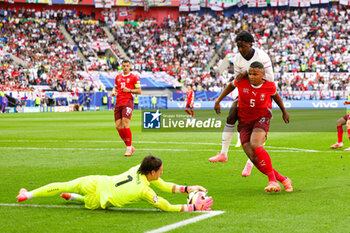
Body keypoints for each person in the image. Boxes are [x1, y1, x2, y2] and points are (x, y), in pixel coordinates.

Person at [16, 155, 213, 212]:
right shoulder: (144, 191)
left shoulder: (138, 168)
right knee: (90, 203)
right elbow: (166, 205)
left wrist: (189, 188)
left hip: (96, 182)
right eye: (160, 170)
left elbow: (164, 185)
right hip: (101, 202)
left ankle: (28, 194)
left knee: (66, 185)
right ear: (152, 172)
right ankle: (76, 198)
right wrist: (194, 207)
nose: (162, 173)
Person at [209, 31, 275, 178]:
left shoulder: (262, 57)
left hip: (262, 93)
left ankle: (250, 163)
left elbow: (270, 78)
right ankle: (223, 153)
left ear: (251, 44)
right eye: (238, 46)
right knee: (232, 115)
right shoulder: (237, 59)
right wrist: (219, 100)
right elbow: (237, 80)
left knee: (257, 135)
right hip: (246, 93)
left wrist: (248, 73)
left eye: (243, 46)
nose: (240, 49)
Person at [234, 61, 292, 192]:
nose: (252, 76)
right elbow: (230, 86)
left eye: (255, 74)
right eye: (250, 74)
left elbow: (276, 96)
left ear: (263, 74)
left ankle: (273, 181)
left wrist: (284, 111)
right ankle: (283, 179)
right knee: (254, 158)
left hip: (262, 117)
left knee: (255, 144)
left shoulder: (269, 86)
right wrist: (219, 100)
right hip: (244, 121)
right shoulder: (241, 81)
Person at [112, 60, 141, 156]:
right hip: (118, 102)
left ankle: (128, 148)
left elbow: (139, 91)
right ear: (121, 66)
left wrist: (129, 90)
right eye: (124, 66)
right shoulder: (118, 77)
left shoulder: (134, 77)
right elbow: (115, 87)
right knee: (118, 126)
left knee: (125, 124)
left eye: (127, 66)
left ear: (130, 66)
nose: (125, 67)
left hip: (128, 101)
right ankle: (130, 146)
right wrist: (113, 91)